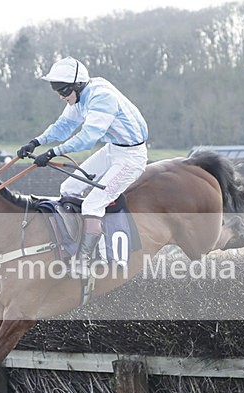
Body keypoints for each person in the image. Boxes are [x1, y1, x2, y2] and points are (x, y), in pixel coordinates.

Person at [17, 56, 149, 276]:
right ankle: (75, 243)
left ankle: (84, 261)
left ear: (77, 85)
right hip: (112, 149)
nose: (61, 97)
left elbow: (87, 138)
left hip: (131, 157)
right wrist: (36, 142)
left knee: (92, 205)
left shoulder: (102, 97)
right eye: (57, 92)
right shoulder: (80, 95)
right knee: (68, 188)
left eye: (64, 91)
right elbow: (63, 126)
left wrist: (52, 153)